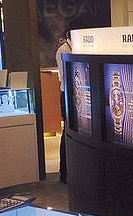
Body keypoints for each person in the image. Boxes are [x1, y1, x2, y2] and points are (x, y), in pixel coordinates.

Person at [55, 28, 72, 184]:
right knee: (67, 131)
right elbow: (66, 78)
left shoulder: (71, 49)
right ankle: (64, 172)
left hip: (71, 95)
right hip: (66, 95)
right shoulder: (64, 50)